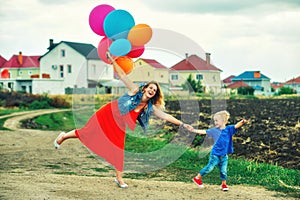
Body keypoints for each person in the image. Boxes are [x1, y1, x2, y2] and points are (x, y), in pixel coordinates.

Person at [53, 52, 193, 188]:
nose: (152, 91)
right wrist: (113, 61)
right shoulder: (134, 91)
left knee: (118, 150)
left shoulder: (150, 107)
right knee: (87, 132)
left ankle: (119, 179)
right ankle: (63, 137)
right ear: (145, 88)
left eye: (155, 90)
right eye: (150, 88)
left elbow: (166, 116)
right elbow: (122, 75)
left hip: (119, 126)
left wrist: (183, 124)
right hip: (108, 114)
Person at [191, 110, 248, 191]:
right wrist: (194, 130)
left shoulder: (229, 129)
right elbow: (204, 131)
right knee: (209, 168)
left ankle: (224, 184)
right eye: (214, 120)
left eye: (217, 120)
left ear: (224, 121)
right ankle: (197, 178)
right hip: (215, 155)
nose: (215, 122)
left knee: (223, 171)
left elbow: (236, 126)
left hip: (224, 155)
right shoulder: (214, 130)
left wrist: (242, 122)